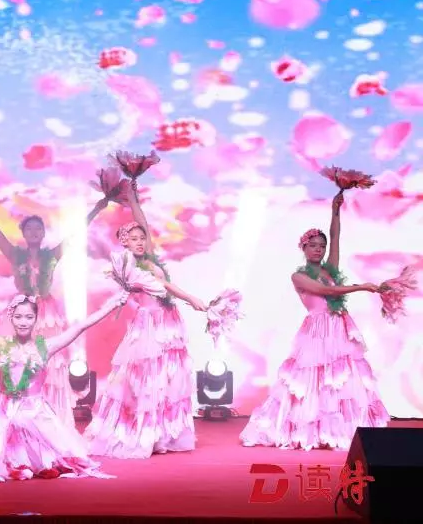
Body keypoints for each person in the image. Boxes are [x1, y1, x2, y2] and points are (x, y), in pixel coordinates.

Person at [0, 280, 128, 482]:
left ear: (36, 319)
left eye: (28, 317)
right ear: (11, 318)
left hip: (37, 414)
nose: (23, 322)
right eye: (18, 317)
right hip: (6, 415)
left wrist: (112, 305)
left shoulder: (46, 347)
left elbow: (80, 327)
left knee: (52, 461)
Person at [240, 192, 390, 450]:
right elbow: (326, 291)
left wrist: (335, 211)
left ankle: (339, 429)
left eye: (321, 246)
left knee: (341, 378)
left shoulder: (329, 269)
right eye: (313, 245)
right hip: (318, 330)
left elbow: (335, 238)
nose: (318, 249)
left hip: (339, 327)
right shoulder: (298, 276)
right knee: (311, 377)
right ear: (304, 248)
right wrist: (361, 286)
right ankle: (310, 428)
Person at [0, 193, 109, 426]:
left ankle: (47, 418)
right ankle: (12, 415)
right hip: (21, 309)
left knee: (45, 363)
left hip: (46, 313)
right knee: (13, 359)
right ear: (23, 233)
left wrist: (97, 209)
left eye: (38, 229)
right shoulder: (14, 254)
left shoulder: (52, 255)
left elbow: (76, 235)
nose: (34, 232)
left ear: (43, 233)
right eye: (29, 229)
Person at [84, 183, 207, 458]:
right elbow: (163, 285)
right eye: (134, 239)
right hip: (149, 326)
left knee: (168, 378)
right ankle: (143, 432)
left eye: (142, 238)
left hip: (167, 322)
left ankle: (164, 434)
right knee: (147, 379)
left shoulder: (148, 258)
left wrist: (132, 199)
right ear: (124, 242)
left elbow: (145, 227)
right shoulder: (128, 265)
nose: (140, 241)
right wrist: (191, 298)